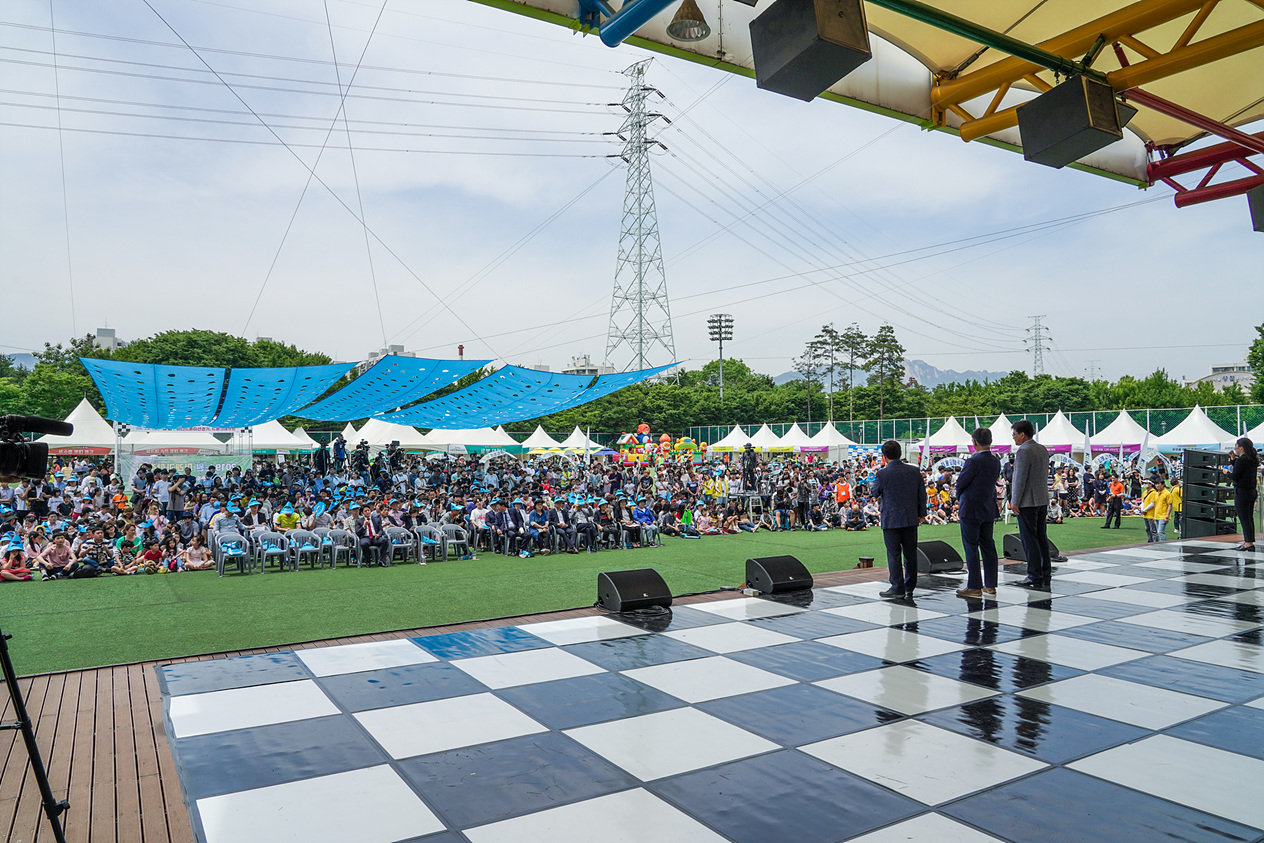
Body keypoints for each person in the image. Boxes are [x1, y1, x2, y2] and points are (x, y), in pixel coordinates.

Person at [871, 440, 926, 600]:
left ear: (884, 456)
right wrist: (921, 514)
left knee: (894, 554)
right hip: (910, 518)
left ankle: (897, 587)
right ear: (901, 453)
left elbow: (875, 492)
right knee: (910, 553)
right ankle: (910, 586)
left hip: (891, 519)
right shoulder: (914, 471)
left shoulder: (882, 473)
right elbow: (921, 494)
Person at [955, 427, 1001, 598]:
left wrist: (959, 496)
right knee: (988, 546)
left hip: (971, 508)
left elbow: (961, 483)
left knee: (971, 546)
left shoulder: (973, 461)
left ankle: (974, 585)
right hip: (988, 506)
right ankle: (990, 585)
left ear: (974, 442)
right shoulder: (996, 461)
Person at [1010, 419, 1052, 589]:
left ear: (1022, 434)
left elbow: (1019, 478)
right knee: (1041, 537)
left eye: (1014, 434)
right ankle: (1045, 570)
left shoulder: (1023, 451)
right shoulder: (1042, 449)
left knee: (1029, 539)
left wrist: (1015, 501)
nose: (1013, 438)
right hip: (1042, 499)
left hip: (1027, 501)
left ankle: (1033, 574)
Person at [1225, 437, 1259, 552]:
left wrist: (1227, 473)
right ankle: (1248, 540)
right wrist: (1233, 459)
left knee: (1244, 518)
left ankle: (1248, 542)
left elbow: (1235, 476)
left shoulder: (1242, 460)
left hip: (1242, 492)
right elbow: (1242, 470)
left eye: (1236, 447)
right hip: (1251, 491)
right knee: (1249, 518)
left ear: (1241, 448)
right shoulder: (1252, 459)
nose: (1235, 449)